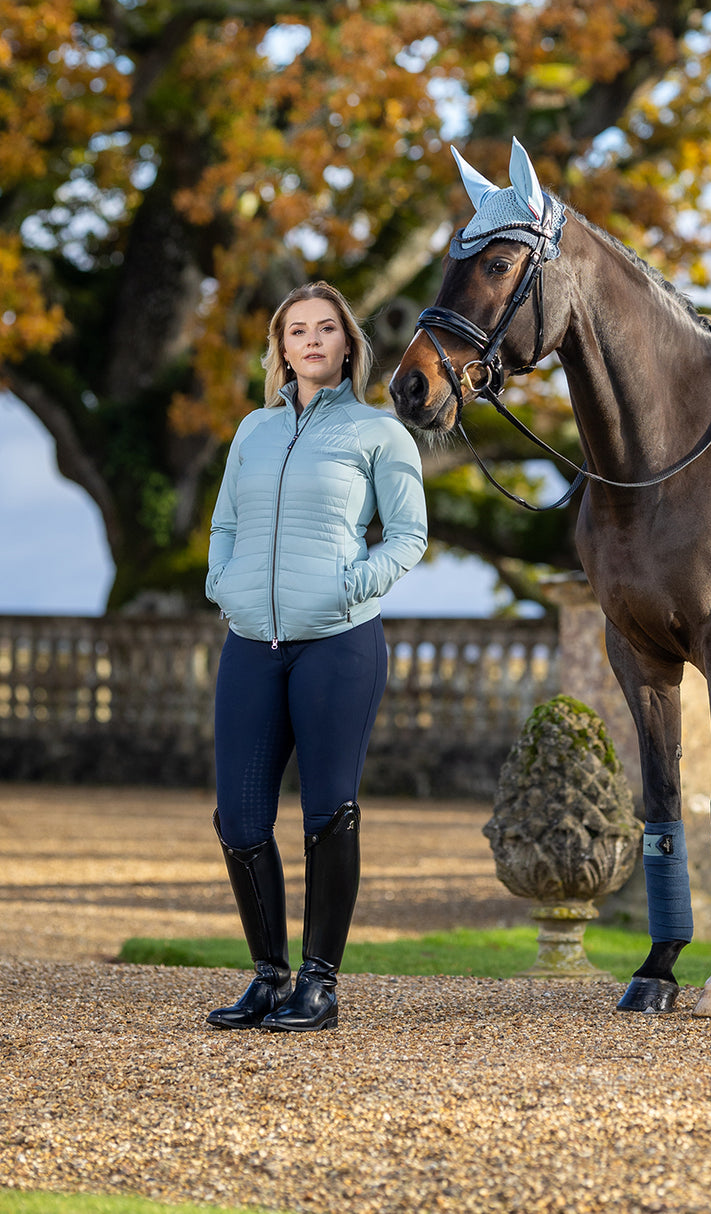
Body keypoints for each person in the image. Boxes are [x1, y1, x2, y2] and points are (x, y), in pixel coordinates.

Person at [204, 281, 427, 1032]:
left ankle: (319, 984)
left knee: (328, 814)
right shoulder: (252, 432)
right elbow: (224, 524)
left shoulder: (378, 434)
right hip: (250, 645)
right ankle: (268, 976)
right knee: (238, 819)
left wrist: (347, 589)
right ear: (281, 347)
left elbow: (407, 537)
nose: (311, 341)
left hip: (337, 643)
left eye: (325, 329)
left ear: (347, 344)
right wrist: (222, 584)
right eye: (297, 330)